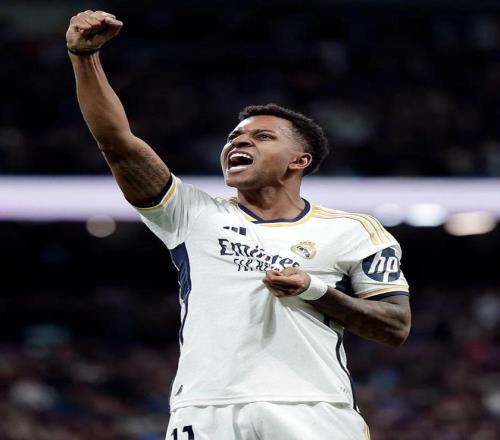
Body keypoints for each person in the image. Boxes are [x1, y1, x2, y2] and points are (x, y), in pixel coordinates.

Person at [66, 10, 411, 440]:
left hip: (314, 408)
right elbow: (118, 144)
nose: (239, 141)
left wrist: (314, 290)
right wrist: (85, 58)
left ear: (299, 160)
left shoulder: (354, 230)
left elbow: (394, 326)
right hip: (206, 408)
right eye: (233, 137)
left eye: (262, 136)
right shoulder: (192, 214)